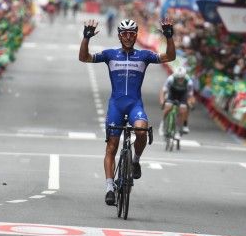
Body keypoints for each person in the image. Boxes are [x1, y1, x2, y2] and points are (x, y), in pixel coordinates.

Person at [79, 18, 176, 206]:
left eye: (132, 34)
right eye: (124, 34)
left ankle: (136, 160)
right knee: (111, 146)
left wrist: (169, 37)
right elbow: (84, 58)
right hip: (116, 105)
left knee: (141, 130)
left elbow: (169, 57)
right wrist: (86, 38)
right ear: (119, 36)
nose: (128, 37)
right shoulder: (110, 54)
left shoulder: (144, 56)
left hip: (134, 105)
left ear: (136, 35)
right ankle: (109, 187)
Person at [159, 66, 195, 139]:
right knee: (168, 106)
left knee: (183, 109)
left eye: (181, 78)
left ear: (184, 76)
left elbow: (190, 95)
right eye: (178, 78)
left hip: (183, 94)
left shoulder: (189, 82)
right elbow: (163, 91)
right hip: (172, 93)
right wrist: (162, 101)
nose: (179, 79)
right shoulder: (170, 79)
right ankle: (162, 124)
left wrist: (191, 103)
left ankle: (179, 130)